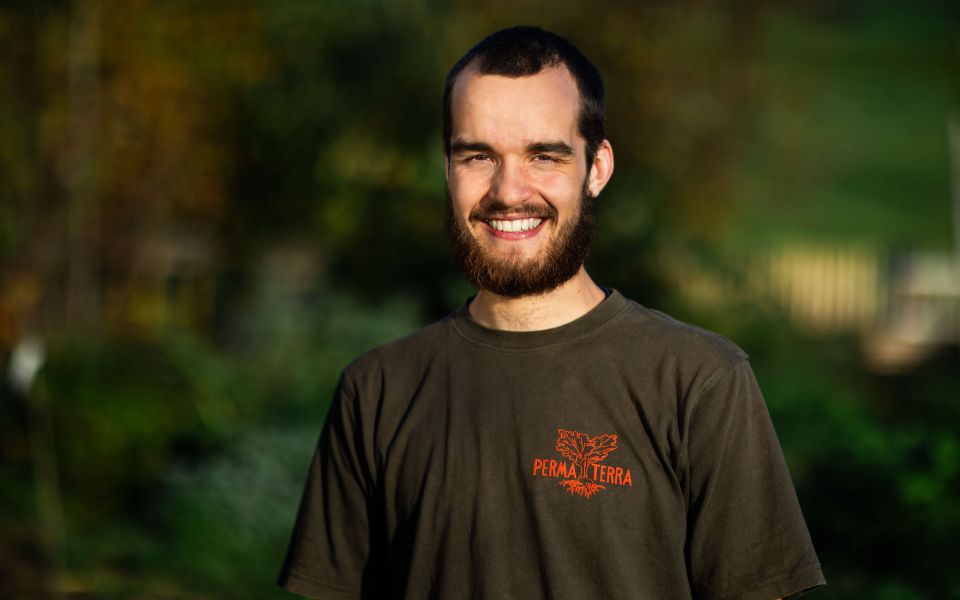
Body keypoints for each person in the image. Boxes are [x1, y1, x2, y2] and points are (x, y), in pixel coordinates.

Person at [278, 25, 825, 600]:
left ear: (597, 168)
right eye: (478, 156)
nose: (508, 191)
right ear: (447, 170)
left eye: (544, 156)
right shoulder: (376, 390)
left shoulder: (700, 380)